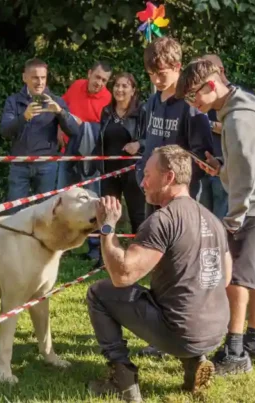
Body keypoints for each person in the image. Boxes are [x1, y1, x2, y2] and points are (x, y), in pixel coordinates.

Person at [86, 145, 231, 402]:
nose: (142, 182)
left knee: (99, 292)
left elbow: (123, 275)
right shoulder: (213, 219)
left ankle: (123, 378)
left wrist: (107, 226)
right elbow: (226, 277)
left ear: (169, 177)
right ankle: (194, 362)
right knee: (176, 302)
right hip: (216, 331)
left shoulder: (163, 220)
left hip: (181, 331)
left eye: (148, 175)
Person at [177, 58, 255, 375]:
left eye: (194, 96)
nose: (194, 106)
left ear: (211, 85)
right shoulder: (241, 104)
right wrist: (221, 166)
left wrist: (234, 219)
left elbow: (245, 179)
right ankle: (254, 342)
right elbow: (245, 164)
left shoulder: (237, 120)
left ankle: (236, 353)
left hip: (254, 206)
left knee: (237, 276)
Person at [133, 37, 214, 218]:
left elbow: (202, 156)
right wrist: (142, 175)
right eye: (151, 74)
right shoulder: (152, 102)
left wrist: (175, 186)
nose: (156, 80)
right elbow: (148, 147)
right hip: (153, 194)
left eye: (161, 73)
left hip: (182, 199)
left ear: (177, 67)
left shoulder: (192, 104)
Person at [0, 58, 80, 212]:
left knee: (46, 213)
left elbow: (74, 131)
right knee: (15, 213)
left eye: (43, 77)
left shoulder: (56, 101)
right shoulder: (13, 101)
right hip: (19, 165)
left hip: (47, 165)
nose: (40, 82)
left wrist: (60, 112)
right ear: (25, 78)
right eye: (35, 77)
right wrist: (24, 117)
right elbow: (5, 131)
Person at [58, 61, 112, 261]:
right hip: (67, 153)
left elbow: (104, 130)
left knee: (92, 200)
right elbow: (61, 109)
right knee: (62, 198)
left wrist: (84, 125)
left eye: (104, 80)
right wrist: (58, 127)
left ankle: (95, 248)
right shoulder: (75, 86)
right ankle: (60, 246)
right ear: (89, 73)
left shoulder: (108, 98)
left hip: (91, 158)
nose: (99, 83)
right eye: (97, 77)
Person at [94, 72, 146, 236]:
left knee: (138, 215)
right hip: (109, 173)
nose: (120, 89)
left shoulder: (142, 111)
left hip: (133, 172)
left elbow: (151, 137)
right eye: (117, 85)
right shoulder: (107, 111)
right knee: (106, 216)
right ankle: (105, 255)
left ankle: (140, 253)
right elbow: (102, 139)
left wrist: (139, 144)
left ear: (133, 90)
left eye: (125, 86)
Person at [195, 54, 229, 220]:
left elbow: (231, 128)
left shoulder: (231, 98)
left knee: (221, 219)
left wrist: (207, 124)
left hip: (224, 166)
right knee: (205, 220)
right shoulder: (203, 97)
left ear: (220, 71)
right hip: (204, 164)